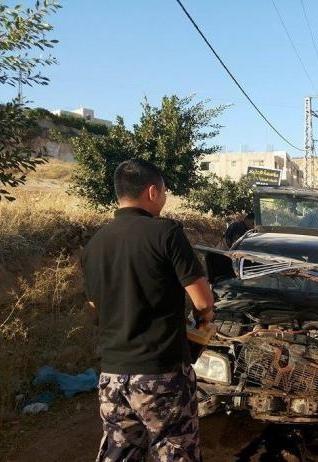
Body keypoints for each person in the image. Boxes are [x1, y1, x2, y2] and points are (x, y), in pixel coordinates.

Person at [82, 159, 215, 461]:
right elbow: (203, 301)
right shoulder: (166, 233)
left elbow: (94, 310)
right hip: (161, 373)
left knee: (120, 452)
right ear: (152, 191)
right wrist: (205, 320)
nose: (165, 198)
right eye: (165, 191)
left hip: (112, 376)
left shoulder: (95, 244)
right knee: (174, 451)